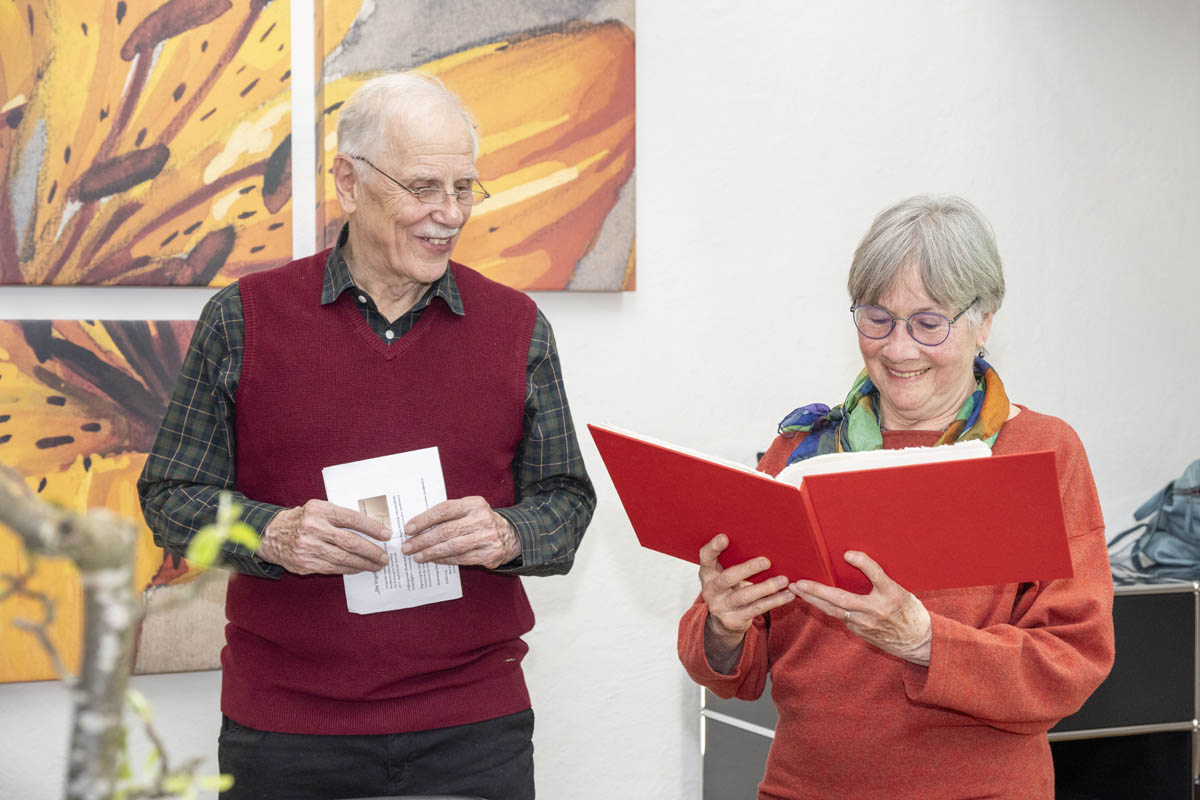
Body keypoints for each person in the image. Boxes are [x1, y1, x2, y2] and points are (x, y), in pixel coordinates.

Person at [138, 72, 596, 800]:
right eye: (424, 187)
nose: (450, 214)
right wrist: (271, 534)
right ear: (348, 183)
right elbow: (171, 495)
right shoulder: (243, 318)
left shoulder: (517, 327)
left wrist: (508, 533)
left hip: (474, 731)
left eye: (464, 188)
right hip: (286, 735)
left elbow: (566, 501)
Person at [677, 196, 1114, 799]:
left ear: (984, 321)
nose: (899, 348)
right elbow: (729, 670)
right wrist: (724, 624)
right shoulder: (802, 450)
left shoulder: (1040, 451)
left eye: (928, 324)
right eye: (877, 319)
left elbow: (1072, 660)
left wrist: (925, 640)